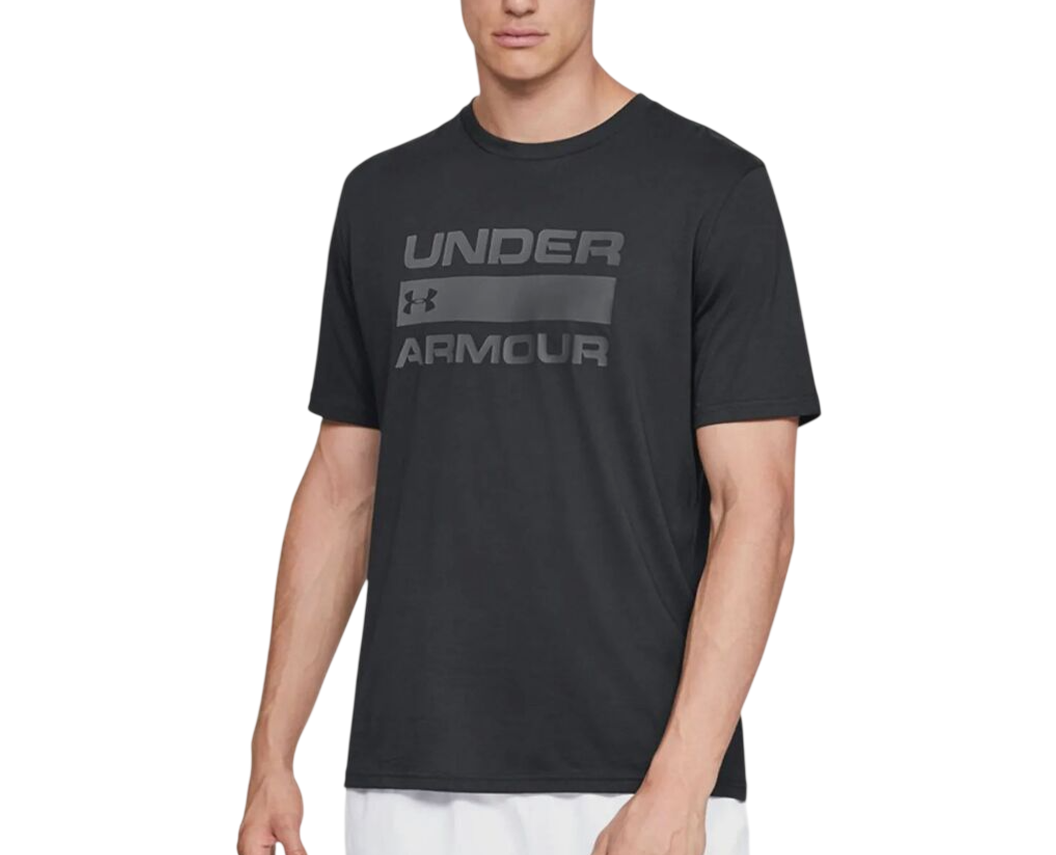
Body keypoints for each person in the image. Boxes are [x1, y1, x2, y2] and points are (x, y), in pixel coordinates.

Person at [237, 0, 820, 852]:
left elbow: (757, 509)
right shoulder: (382, 198)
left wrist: (679, 785)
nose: (519, 1)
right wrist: (271, 753)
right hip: (409, 785)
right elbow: (341, 490)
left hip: (637, 783)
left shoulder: (712, 190)